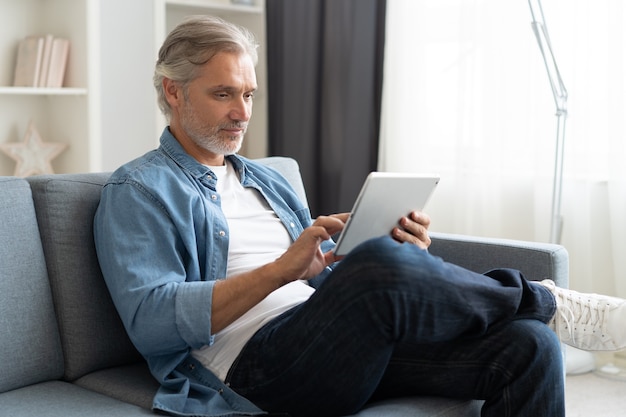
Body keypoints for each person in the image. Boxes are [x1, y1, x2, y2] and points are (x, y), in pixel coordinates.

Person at [93, 15, 626, 417]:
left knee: (528, 346)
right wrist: (284, 268)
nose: (242, 112)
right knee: (380, 267)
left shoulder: (268, 178)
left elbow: (326, 282)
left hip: (332, 342)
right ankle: (544, 301)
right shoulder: (139, 189)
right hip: (252, 369)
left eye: (249, 94)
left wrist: (406, 262)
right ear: (172, 90)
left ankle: (532, 313)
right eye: (223, 94)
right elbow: (151, 321)